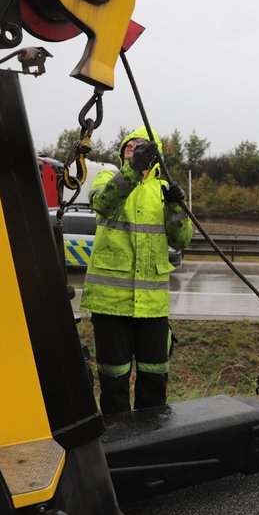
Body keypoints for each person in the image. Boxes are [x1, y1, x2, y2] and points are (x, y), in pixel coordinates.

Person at [79, 127, 194, 413]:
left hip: (152, 307)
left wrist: (176, 208)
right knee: (113, 381)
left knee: (154, 379)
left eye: (140, 144)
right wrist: (132, 170)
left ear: (154, 154)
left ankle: (151, 441)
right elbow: (103, 204)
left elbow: (181, 239)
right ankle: (118, 446)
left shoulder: (163, 189)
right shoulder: (109, 178)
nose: (132, 145)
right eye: (128, 144)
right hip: (110, 303)